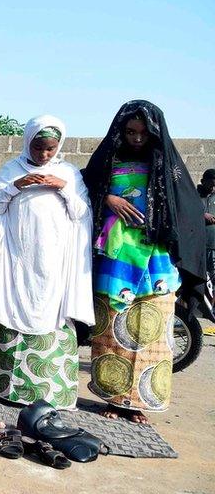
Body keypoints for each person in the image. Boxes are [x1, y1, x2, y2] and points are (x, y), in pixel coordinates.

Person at [82, 100, 206, 423]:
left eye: (143, 132)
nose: (137, 138)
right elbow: (85, 186)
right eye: (130, 131)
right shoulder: (109, 161)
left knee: (150, 337)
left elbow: (188, 206)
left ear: (154, 133)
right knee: (111, 332)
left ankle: (139, 402)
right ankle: (111, 398)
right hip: (116, 261)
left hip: (156, 265)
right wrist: (108, 198)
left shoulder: (166, 165)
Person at [0, 116, 94, 409]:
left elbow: (82, 213)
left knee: (53, 316)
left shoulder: (68, 172)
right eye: (38, 147)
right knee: (13, 311)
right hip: (19, 261)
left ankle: (52, 393)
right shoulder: (11, 170)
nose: (44, 155)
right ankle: (9, 389)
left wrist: (62, 187)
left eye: (50, 149)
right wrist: (15, 186)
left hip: (55, 264)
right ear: (27, 141)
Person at [200, 169, 215, 283]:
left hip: (213, 246)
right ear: (203, 181)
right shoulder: (193, 196)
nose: (213, 188)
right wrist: (201, 215)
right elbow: (184, 213)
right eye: (211, 184)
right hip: (197, 246)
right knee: (200, 278)